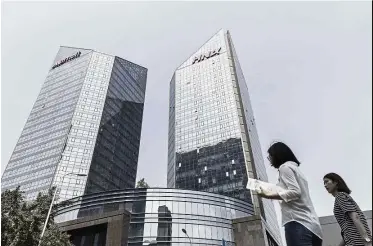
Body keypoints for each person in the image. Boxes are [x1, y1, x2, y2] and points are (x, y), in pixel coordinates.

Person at [257, 141, 323, 246]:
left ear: (277, 155)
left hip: (297, 223)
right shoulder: (296, 170)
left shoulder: (284, 168)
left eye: (270, 156)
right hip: (314, 228)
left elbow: (295, 192)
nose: (270, 160)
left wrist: (267, 195)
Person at [323, 172, 372, 246]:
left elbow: (355, 217)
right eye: (324, 183)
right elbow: (347, 229)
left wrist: (367, 240)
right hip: (354, 241)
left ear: (336, 182)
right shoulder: (341, 197)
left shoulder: (340, 196)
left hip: (358, 242)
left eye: (327, 182)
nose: (325, 185)